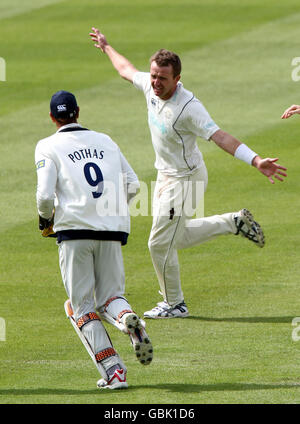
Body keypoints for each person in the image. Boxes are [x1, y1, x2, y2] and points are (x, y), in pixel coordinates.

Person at [89, 28, 287, 320]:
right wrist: (106, 47)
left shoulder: (189, 108)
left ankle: (174, 303)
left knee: (158, 244)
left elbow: (220, 137)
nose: (155, 82)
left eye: (162, 78)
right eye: (154, 75)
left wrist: (255, 159)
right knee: (175, 239)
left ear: (177, 79)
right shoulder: (150, 85)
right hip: (166, 177)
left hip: (186, 180)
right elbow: (126, 70)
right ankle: (233, 222)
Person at [35, 90, 153, 390]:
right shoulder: (106, 140)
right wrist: (109, 211)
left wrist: (45, 220)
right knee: (112, 297)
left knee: (81, 307)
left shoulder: (47, 145)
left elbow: (45, 195)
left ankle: (115, 372)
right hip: (112, 230)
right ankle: (127, 318)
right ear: (78, 112)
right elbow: (134, 184)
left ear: (52, 117)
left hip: (74, 232)